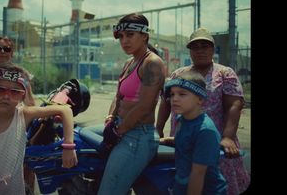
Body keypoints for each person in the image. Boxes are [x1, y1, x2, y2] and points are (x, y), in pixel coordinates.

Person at [0, 63, 78, 195]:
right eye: (0, 89)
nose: (6, 96)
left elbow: (65, 110)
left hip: (12, 189)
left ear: (22, 96)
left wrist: (69, 146)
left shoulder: (23, 115)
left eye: (14, 92)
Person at [156, 27, 250, 194]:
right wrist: (158, 130)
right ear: (190, 51)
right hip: (184, 136)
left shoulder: (224, 73)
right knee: (185, 176)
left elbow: (234, 105)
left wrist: (228, 137)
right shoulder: (179, 73)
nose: (200, 50)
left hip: (214, 139)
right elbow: (166, 102)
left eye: (204, 46)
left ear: (213, 49)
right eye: (195, 47)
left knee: (210, 180)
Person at [97, 13, 165, 194]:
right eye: (121, 36)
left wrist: (117, 132)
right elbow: (118, 96)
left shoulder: (152, 63)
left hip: (138, 136)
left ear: (144, 36)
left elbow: (144, 106)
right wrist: (110, 117)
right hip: (121, 128)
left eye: (130, 35)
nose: (124, 41)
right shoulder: (129, 62)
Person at [160, 71, 227, 194]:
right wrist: (165, 141)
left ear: (200, 99)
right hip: (182, 184)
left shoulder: (205, 131)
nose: (174, 99)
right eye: (172, 94)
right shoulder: (182, 119)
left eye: (182, 94)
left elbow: (198, 174)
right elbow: (186, 142)